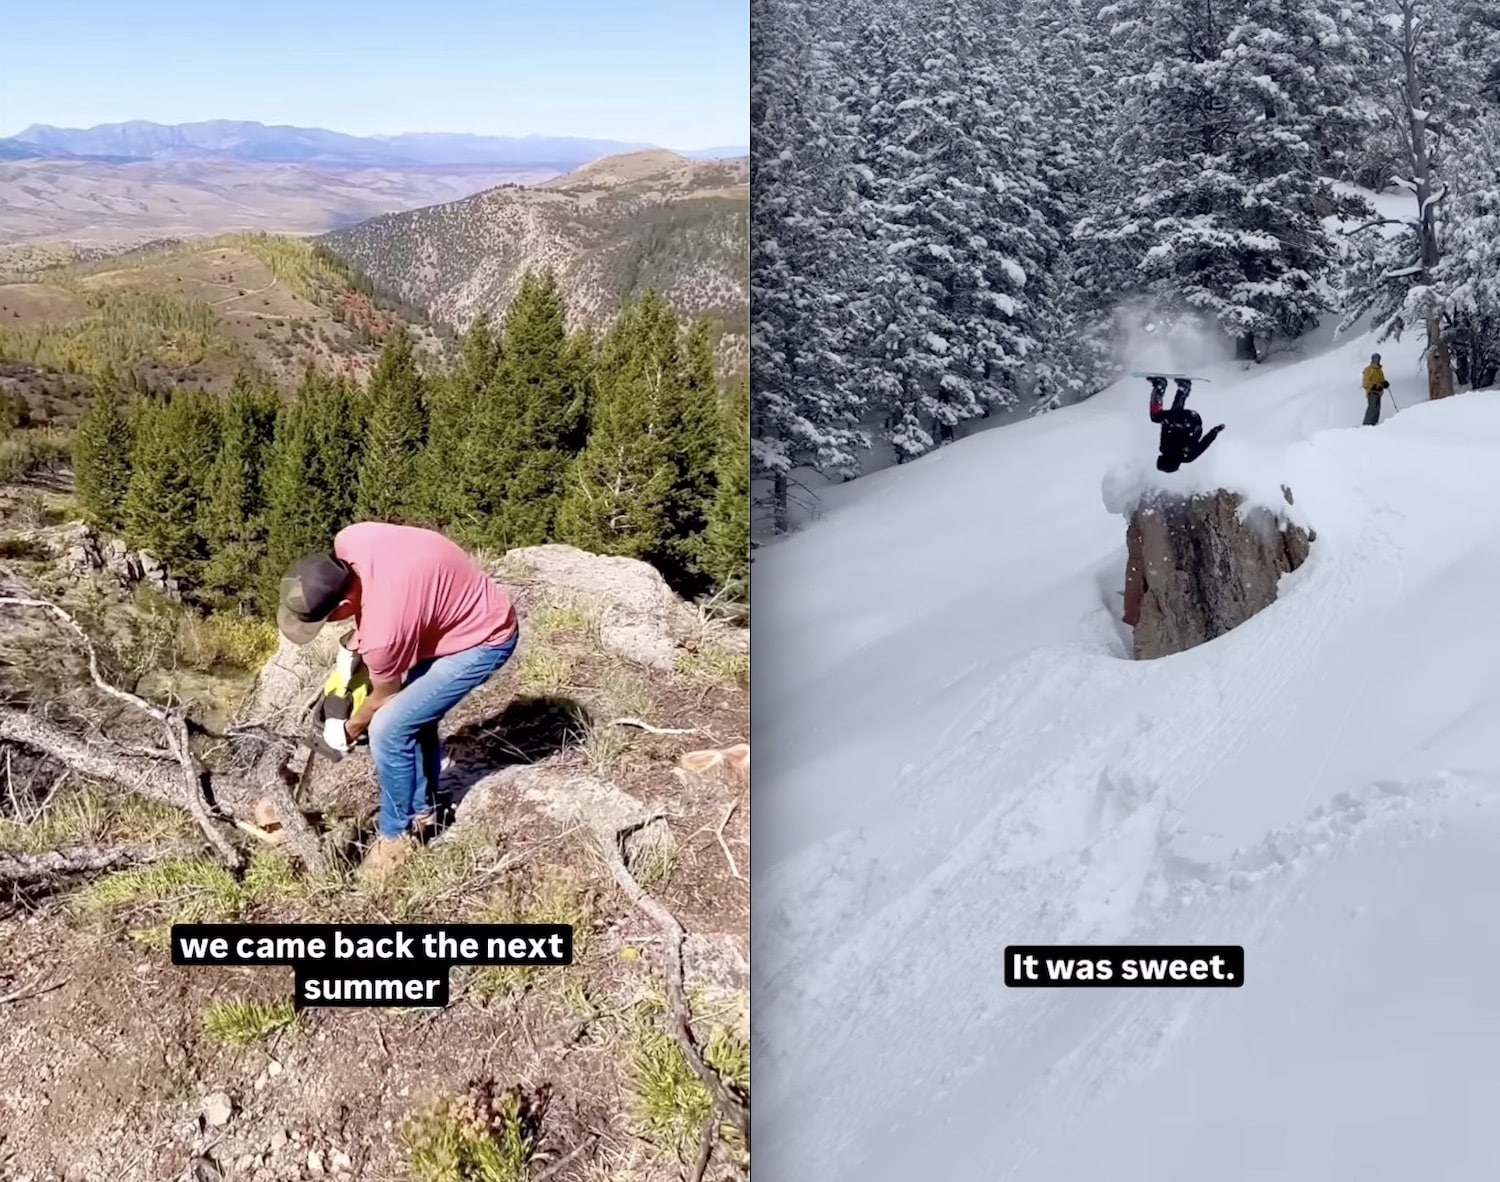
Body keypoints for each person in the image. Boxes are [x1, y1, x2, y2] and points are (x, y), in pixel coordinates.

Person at [276, 522, 520, 877]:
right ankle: (424, 810)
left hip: (484, 637)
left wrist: (347, 729)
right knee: (412, 718)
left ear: (344, 602)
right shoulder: (352, 538)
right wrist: (355, 648)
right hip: (442, 613)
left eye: (327, 618)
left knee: (390, 729)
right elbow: (388, 590)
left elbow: (383, 699)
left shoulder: (384, 635)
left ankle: (395, 838)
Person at [1149, 376, 1223, 472]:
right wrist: (1215, 431)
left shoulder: (1164, 448)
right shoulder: (1188, 456)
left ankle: (1159, 387)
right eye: (1163, 457)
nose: (1163, 454)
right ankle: (1183, 388)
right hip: (1192, 423)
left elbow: (1164, 432)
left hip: (1176, 424)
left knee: (1156, 417)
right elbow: (1204, 443)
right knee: (1175, 418)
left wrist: (1164, 422)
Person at [1361, 353, 1389, 426]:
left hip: (1379, 392)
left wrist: (1384, 383)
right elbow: (1365, 383)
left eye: (1378, 359)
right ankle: (1366, 424)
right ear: (1372, 359)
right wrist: (1373, 386)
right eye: (1375, 359)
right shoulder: (1368, 369)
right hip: (1372, 392)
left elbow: (1381, 379)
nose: (1377, 360)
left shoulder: (1379, 370)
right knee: (1372, 408)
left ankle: (1374, 424)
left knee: (1377, 409)